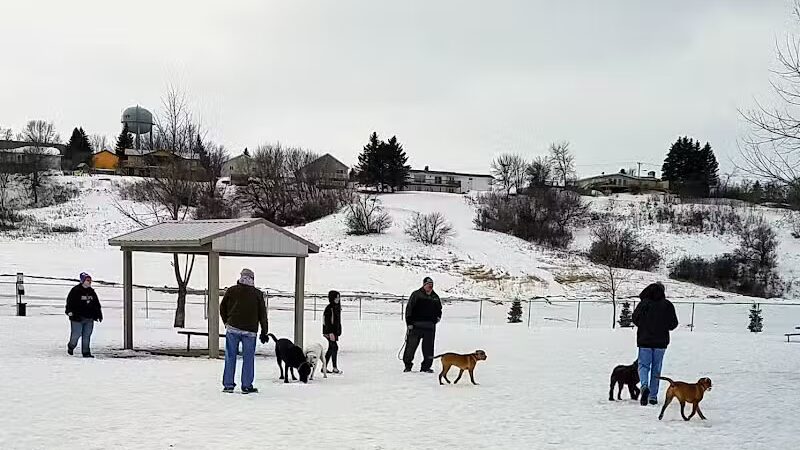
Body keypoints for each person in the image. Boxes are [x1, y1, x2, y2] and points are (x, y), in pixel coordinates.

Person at [220, 268, 268, 394]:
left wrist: (226, 322)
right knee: (248, 358)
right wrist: (264, 331)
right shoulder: (257, 294)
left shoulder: (231, 290)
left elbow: (222, 307)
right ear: (252, 279)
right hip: (250, 331)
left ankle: (228, 385)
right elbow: (263, 315)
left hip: (232, 329)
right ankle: (246, 385)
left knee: (230, 357)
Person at [632, 282, 679, 406]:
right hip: (661, 342)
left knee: (643, 366)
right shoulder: (667, 305)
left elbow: (635, 319)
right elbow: (673, 324)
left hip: (644, 341)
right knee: (656, 368)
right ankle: (653, 396)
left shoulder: (643, 304)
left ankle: (644, 386)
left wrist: (644, 326)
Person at [402, 276, 442, 373]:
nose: (430, 286)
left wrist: (437, 318)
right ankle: (408, 365)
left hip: (430, 327)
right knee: (411, 347)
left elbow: (439, 309)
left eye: (431, 284)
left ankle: (426, 367)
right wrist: (409, 322)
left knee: (429, 349)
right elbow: (409, 309)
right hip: (416, 326)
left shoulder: (435, 297)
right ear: (424, 285)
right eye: (428, 284)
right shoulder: (416, 295)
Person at [65, 272, 103, 358]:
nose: (89, 282)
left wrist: (98, 314)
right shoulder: (75, 290)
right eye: (87, 280)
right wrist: (69, 311)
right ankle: (71, 345)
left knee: (87, 335)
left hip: (89, 318)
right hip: (77, 318)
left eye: (90, 280)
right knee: (76, 334)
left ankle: (86, 352)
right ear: (82, 281)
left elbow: (96, 304)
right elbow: (69, 303)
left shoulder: (91, 292)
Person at [322, 290, 342, 374]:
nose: (338, 299)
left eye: (339, 297)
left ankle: (324, 367)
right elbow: (327, 322)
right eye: (336, 297)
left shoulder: (336, 307)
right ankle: (334, 367)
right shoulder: (329, 308)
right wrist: (330, 333)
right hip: (330, 332)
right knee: (335, 348)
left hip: (334, 332)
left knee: (331, 349)